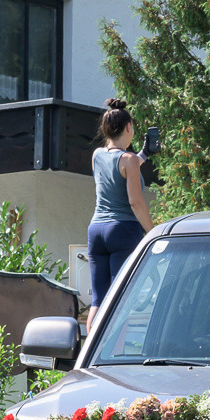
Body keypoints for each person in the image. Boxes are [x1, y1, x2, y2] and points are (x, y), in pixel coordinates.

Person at [87, 98, 153, 307]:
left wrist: (144, 154)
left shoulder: (97, 155)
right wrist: (152, 232)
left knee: (99, 301)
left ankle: (92, 340)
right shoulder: (129, 160)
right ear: (128, 127)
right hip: (122, 230)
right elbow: (135, 203)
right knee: (120, 303)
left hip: (96, 230)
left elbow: (118, 169)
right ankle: (115, 342)